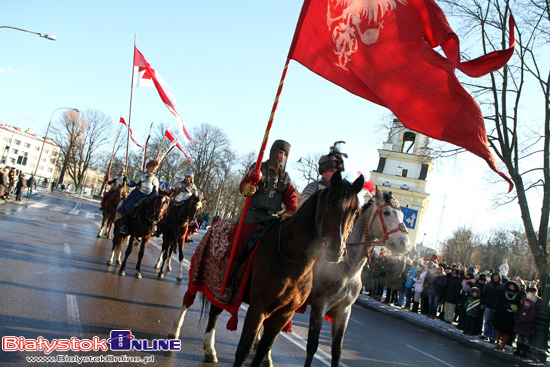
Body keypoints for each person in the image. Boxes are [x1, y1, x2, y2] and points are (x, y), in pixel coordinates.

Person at [216, 139, 297, 302]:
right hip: (252, 216)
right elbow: (245, 182)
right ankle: (226, 285)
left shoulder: (285, 177)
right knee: (239, 243)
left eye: (285, 154)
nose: (282, 157)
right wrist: (246, 187)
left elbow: (291, 197)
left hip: (272, 219)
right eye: (280, 152)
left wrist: (290, 211)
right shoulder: (259, 168)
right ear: (273, 152)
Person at [117, 159, 160, 234]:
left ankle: (152, 229)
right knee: (129, 208)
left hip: (148, 197)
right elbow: (133, 183)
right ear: (149, 167)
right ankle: (125, 226)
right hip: (138, 195)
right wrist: (127, 181)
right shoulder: (141, 175)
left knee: (155, 211)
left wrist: (151, 197)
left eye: (155, 168)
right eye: (153, 167)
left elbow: (155, 191)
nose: (154, 169)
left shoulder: (156, 180)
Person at [493, 280, 522, 350]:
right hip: (501, 313)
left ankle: (503, 344)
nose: (511, 288)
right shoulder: (503, 292)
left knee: (506, 331)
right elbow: (498, 301)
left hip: (510, 315)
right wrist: (503, 305)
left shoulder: (517, 296)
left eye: (513, 287)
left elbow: (519, 306)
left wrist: (512, 307)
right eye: (510, 286)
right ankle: (497, 342)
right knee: (499, 328)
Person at [480, 273, 505, 342]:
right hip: (488, 305)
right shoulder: (488, 285)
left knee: (494, 322)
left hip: (497, 307)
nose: (495, 278)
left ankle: (493, 337)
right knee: (487, 320)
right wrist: (482, 303)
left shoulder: (502, 287)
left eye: (497, 277)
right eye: (494, 277)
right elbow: (484, 295)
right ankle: (486, 334)